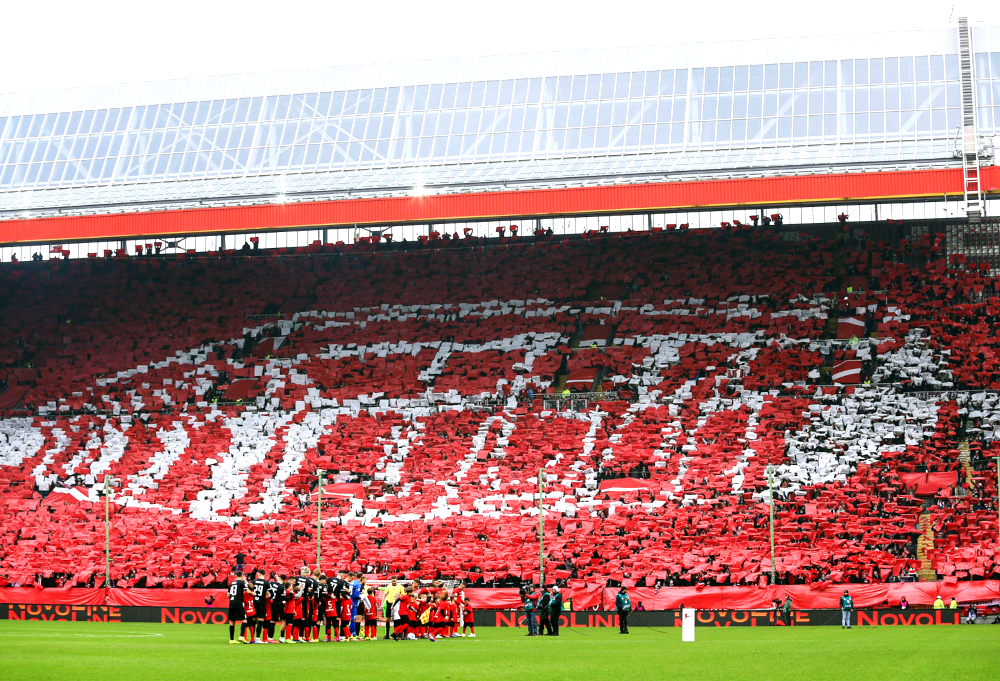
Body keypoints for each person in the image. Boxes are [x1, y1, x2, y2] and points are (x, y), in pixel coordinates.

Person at [227, 571, 247, 644]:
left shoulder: (231, 583)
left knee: (232, 621)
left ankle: (231, 639)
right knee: (244, 620)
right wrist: (253, 594)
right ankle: (241, 636)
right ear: (242, 575)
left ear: (235, 576)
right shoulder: (242, 583)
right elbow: (247, 591)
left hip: (231, 603)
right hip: (238, 603)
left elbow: (228, 595)